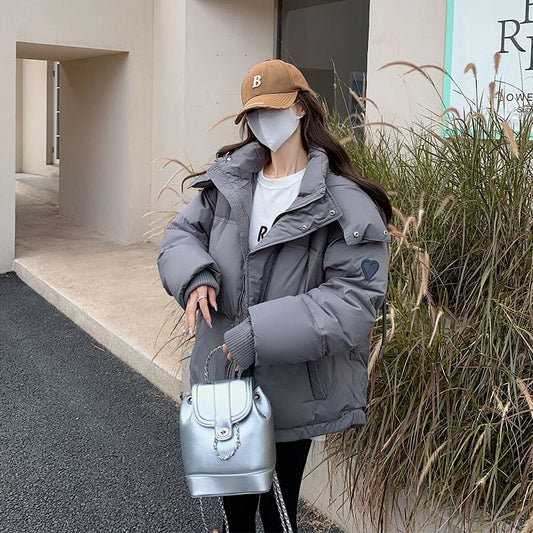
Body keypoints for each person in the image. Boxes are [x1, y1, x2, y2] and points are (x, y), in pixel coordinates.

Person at [157, 59, 392, 532]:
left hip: (292, 385)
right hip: (226, 381)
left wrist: (257, 335)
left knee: (278, 513)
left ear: (301, 108)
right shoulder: (228, 183)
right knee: (235, 513)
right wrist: (196, 275)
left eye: (273, 108)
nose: (263, 120)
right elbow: (180, 235)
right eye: (254, 113)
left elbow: (353, 299)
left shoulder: (343, 201)